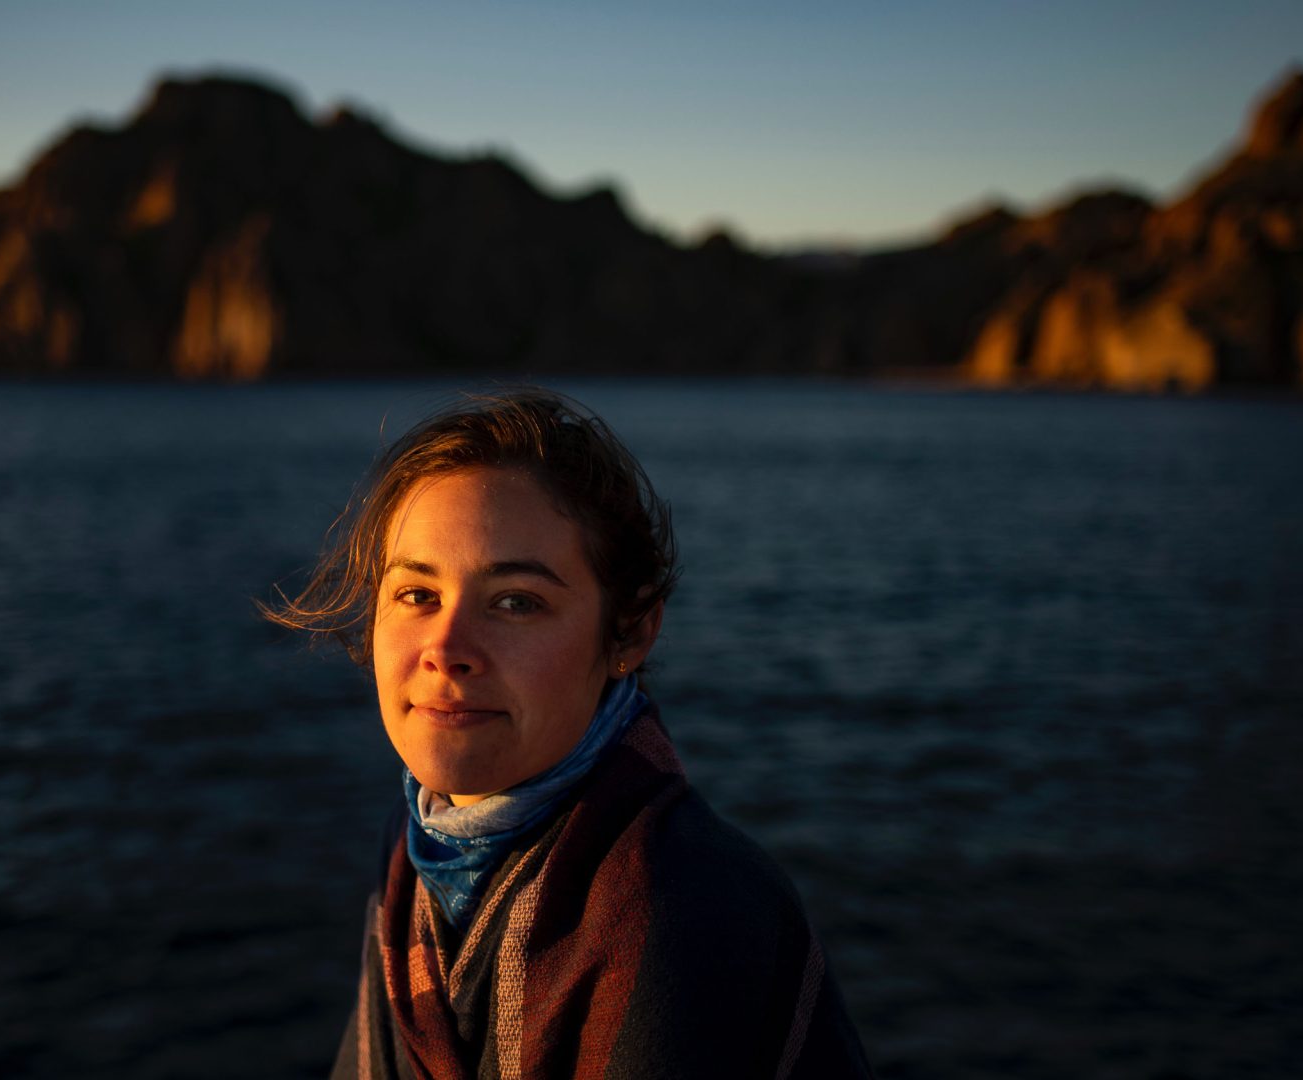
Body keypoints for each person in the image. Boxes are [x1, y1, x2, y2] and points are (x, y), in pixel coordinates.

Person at [266, 389, 873, 1079]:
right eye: (417, 595)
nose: (446, 646)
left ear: (633, 630)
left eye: (516, 602)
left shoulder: (681, 907)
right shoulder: (417, 854)